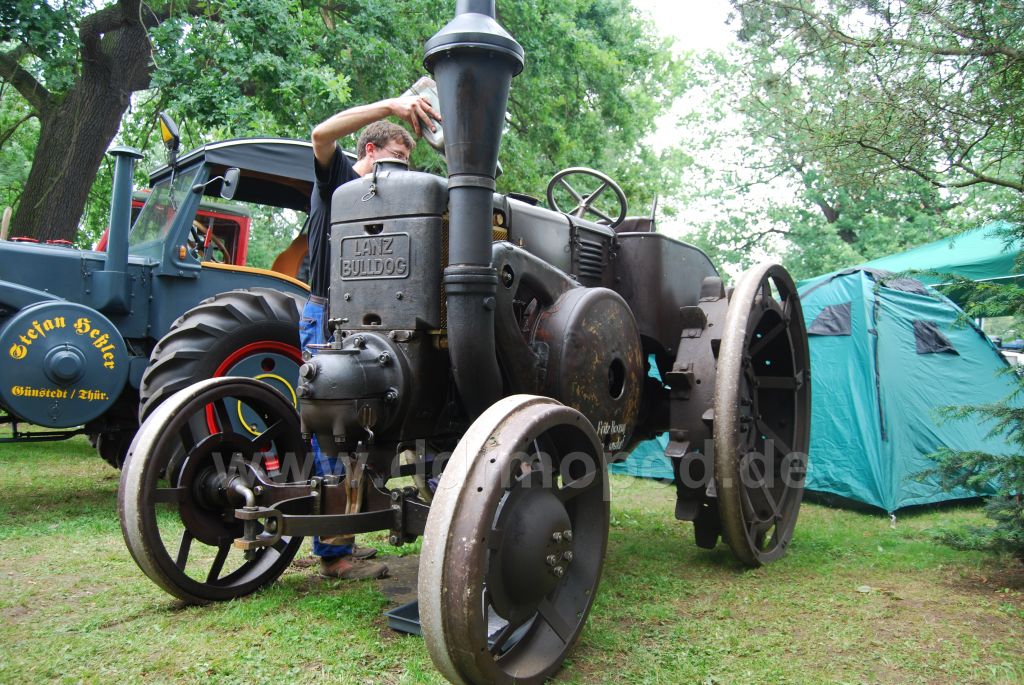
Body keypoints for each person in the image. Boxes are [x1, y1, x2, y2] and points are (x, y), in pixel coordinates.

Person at [300, 96, 439, 580]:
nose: (398, 176)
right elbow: (321, 133)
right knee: (333, 431)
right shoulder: (338, 179)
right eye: (392, 163)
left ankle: (350, 530)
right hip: (329, 317)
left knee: (370, 428)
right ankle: (334, 554)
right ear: (369, 152)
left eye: (407, 166)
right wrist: (394, 105)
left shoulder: (394, 206)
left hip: (378, 322)